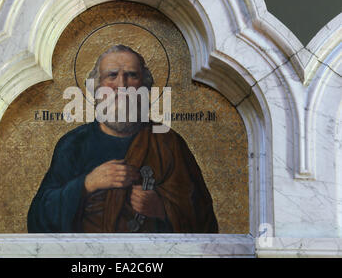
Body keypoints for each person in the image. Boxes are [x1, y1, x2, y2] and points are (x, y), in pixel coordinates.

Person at [27, 45, 218, 233]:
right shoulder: (73, 144)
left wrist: (162, 208)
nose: (122, 85)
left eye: (132, 75)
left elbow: (205, 220)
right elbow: (38, 218)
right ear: (97, 87)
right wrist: (87, 184)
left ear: (144, 86)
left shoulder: (168, 143)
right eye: (112, 75)